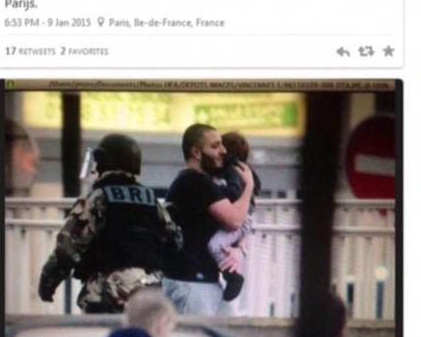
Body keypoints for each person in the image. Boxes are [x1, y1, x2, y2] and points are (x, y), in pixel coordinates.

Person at [36, 133, 183, 313]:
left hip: (108, 291)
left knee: (100, 327)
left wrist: (48, 283)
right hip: (149, 289)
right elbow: (176, 240)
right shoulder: (150, 198)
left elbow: (67, 247)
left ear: (106, 161)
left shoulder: (98, 196)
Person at [163, 123, 254, 317]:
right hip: (192, 283)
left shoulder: (197, 181)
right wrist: (249, 186)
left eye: (222, 145)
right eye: (215, 146)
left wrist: (239, 249)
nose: (223, 151)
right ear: (196, 152)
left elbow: (234, 224)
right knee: (196, 336)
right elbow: (235, 220)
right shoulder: (195, 181)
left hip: (203, 282)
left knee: (226, 334)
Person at [203, 130, 262, 302]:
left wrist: (218, 192)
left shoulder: (233, 171)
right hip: (243, 220)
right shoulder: (243, 170)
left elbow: (234, 193)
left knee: (215, 245)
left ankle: (232, 276)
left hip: (241, 220)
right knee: (223, 245)